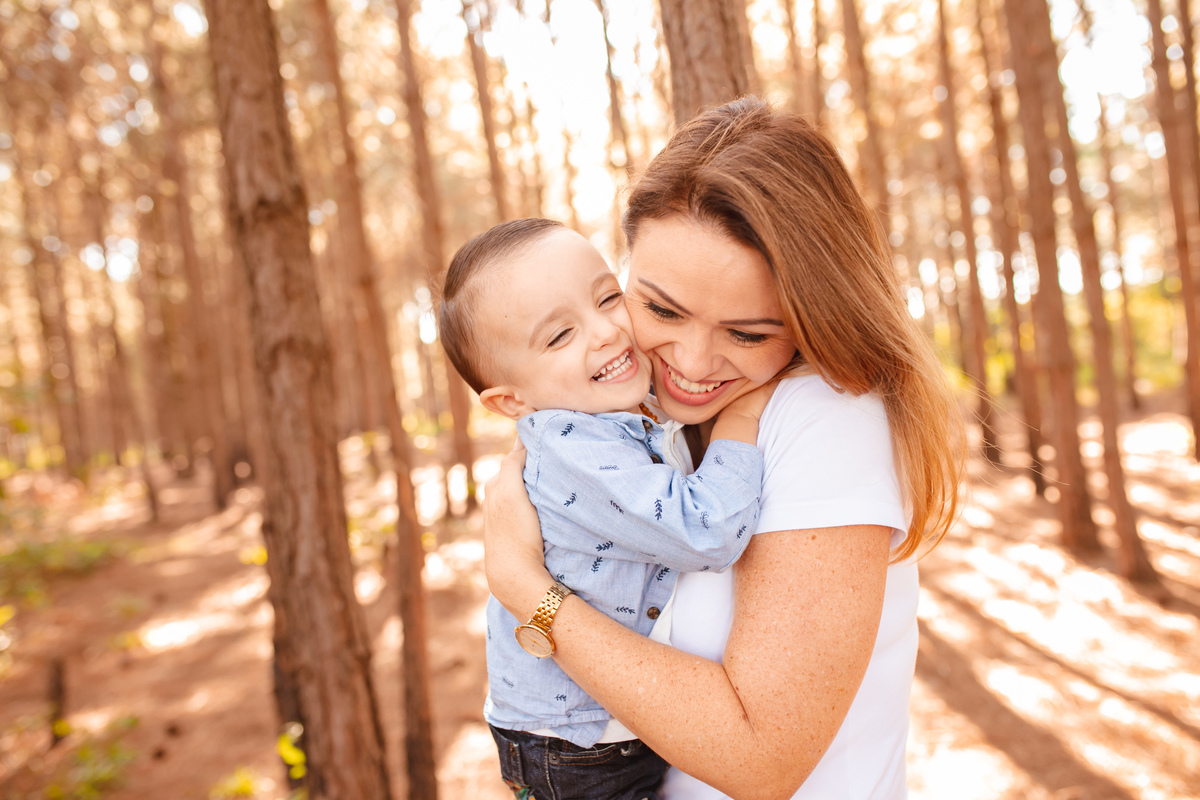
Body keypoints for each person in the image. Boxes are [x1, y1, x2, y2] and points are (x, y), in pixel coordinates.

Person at [482, 96, 965, 800]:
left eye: (747, 333)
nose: (692, 361)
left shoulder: (826, 414)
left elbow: (758, 760)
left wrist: (528, 590)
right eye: (661, 309)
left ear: (811, 316)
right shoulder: (621, 415)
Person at [438, 216, 777, 800]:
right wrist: (741, 421)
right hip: (577, 746)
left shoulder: (612, 411)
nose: (604, 333)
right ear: (511, 400)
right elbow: (706, 529)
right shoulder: (575, 448)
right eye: (559, 336)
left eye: (607, 298)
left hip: (595, 731)